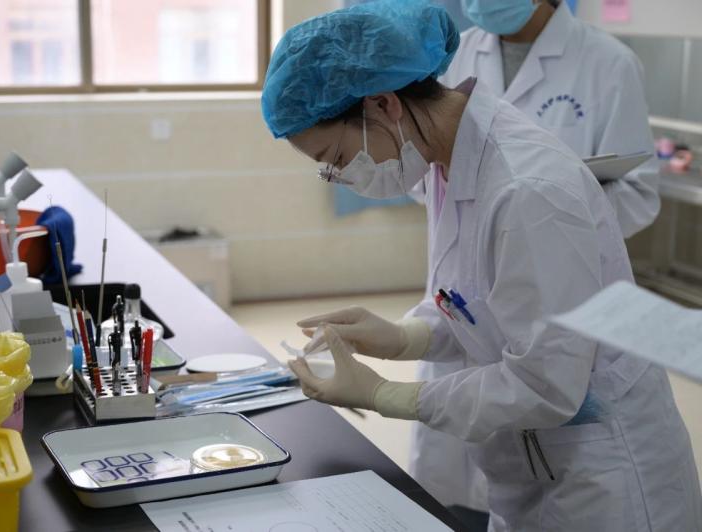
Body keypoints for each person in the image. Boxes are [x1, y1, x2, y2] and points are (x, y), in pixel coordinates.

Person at [261, 1, 702, 531]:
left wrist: (385, 394)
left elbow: (546, 384)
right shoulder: (443, 159)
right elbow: (473, 299)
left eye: (335, 158)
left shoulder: (527, 190)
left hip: (605, 475)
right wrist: (405, 337)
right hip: (533, 461)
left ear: (382, 104)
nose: (342, 175)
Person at [408, 0, 662, 522]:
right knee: (461, 488)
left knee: (548, 421)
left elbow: (639, 193)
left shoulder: (609, 62)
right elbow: (429, 169)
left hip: (564, 295)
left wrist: (551, 211)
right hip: (470, 299)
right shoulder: (456, 55)